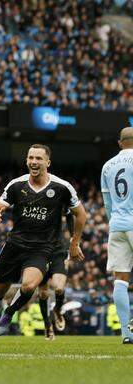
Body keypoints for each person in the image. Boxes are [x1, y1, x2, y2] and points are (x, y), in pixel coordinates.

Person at [0, 144, 87, 344]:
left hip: (42, 248)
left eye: (38, 158)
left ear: (48, 162)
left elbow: (81, 215)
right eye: (30, 158)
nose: (33, 162)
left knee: (29, 286)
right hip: (15, 245)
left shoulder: (62, 187)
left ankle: (9, 313)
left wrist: (74, 244)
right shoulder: (17, 185)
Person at [101, 127, 133, 344]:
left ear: (120, 143)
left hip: (117, 225)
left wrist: (114, 222)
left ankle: (126, 334)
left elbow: (107, 203)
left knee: (120, 280)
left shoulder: (107, 166)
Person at [37, 210, 74, 341]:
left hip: (59, 251)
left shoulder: (58, 197)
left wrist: (73, 240)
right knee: (43, 293)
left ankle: (57, 310)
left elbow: (70, 214)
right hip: (40, 253)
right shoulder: (33, 201)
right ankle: (47, 325)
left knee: (59, 288)